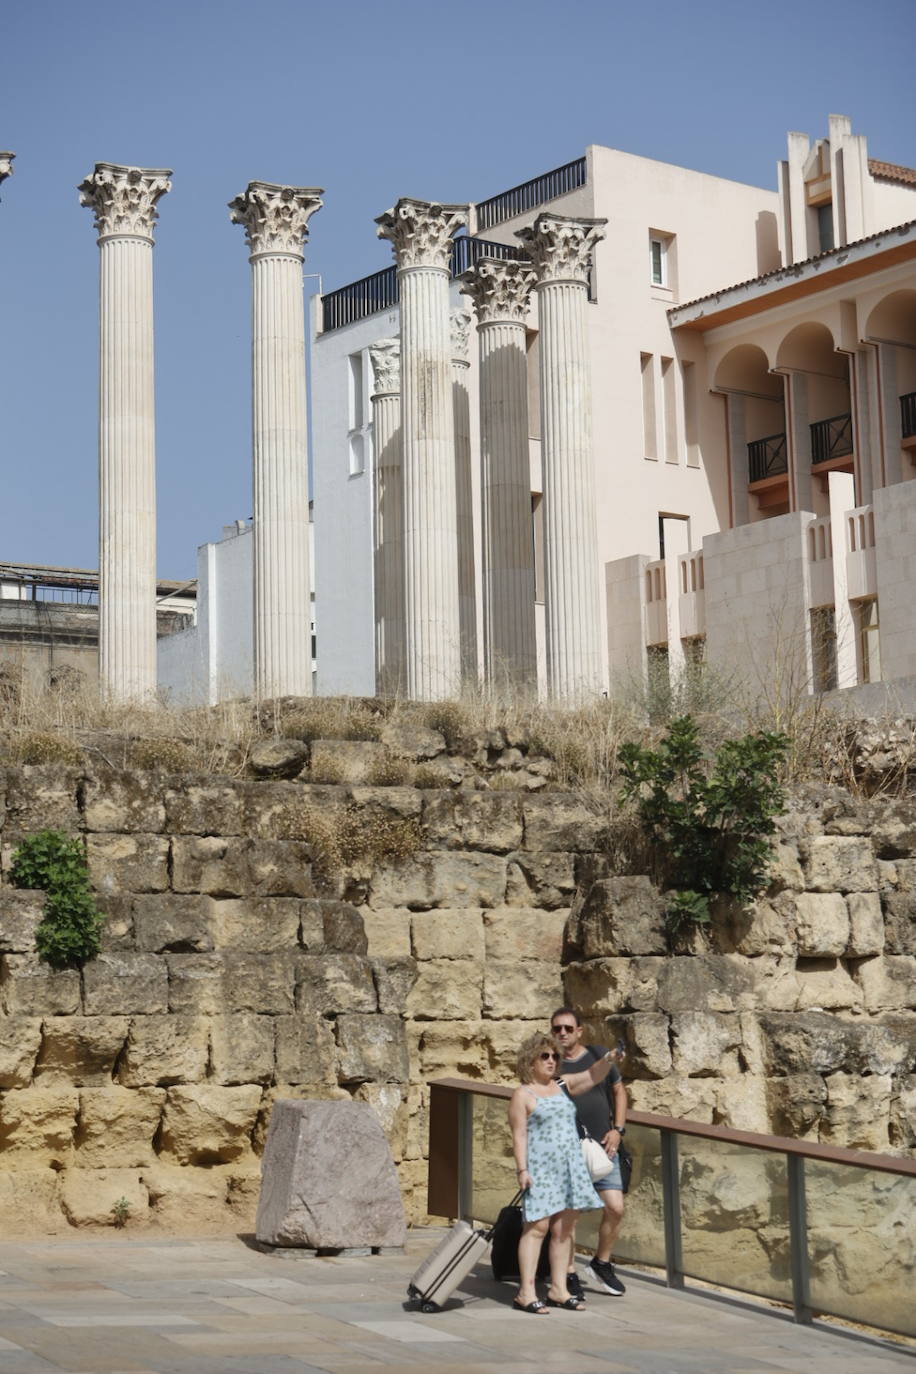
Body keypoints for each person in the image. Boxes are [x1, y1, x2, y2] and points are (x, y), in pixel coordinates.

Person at [507, 1031, 621, 1315]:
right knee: (537, 1228)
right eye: (544, 1056)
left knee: (564, 1228)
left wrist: (608, 1058)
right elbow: (519, 1136)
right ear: (530, 1060)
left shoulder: (562, 1084)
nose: (550, 1060)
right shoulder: (523, 1094)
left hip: (570, 1167)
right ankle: (526, 1292)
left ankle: (559, 1289)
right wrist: (522, 1169)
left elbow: (592, 1075)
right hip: (542, 1169)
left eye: (555, 1056)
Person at [550, 1006, 628, 1298]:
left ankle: (601, 1263)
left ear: (579, 1031)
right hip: (570, 1151)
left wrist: (617, 1130)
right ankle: (568, 1273)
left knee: (615, 1207)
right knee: (570, 1216)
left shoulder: (597, 1054)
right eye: (557, 1028)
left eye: (568, 1028)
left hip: (603, 1146)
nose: (563, 1033)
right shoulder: (551, 1064)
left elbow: (618, 1091)